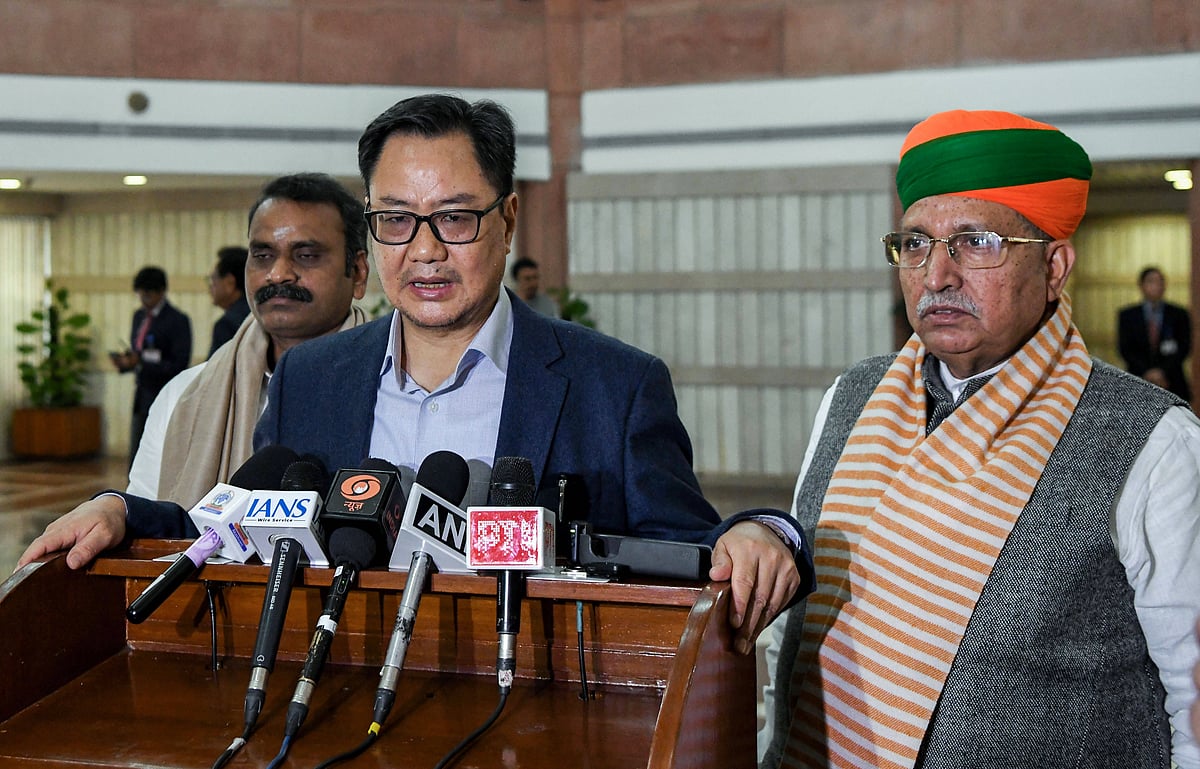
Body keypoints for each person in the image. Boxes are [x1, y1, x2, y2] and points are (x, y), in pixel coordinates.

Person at [253, 93, 812, 653]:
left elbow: (686, 553)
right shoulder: (308, 380)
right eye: (396, 219)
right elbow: (252, 551)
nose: (425, 250)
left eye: (454, 218)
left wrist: (760, 533)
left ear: (508, 219)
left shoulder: (614, 387)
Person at [759, 110, 1200, 769]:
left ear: (1054, 266)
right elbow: (791, 636)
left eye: (976, 243)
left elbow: (1192, 697)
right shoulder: (852, 398)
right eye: (915, 243)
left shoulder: (1156, 442)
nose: (936, 275)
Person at [19, 173, 371, 556]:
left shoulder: (390, 388)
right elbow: (147, 534)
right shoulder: (185, 395)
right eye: (263, 255)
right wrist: (115, 508)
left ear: (358, 273)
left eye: (306, 255)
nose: (278, 273)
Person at [109, 266, 192, 465]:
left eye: (148, 294)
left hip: (165, 392)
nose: (143, 299)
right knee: (138, 453)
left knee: (160, 454)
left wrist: (142, 362)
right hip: (142, 393)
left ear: (161, 291)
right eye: (140, 294)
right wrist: (127, 362)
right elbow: (139, 352)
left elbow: (179, 363)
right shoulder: (139, 317)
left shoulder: (177, 320)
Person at [1118, 266, 1192, 402]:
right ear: (1141, 285)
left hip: (1172, 382)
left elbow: (1184, 347)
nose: (1156, 286)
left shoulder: (1179, 314)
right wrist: (1148, 373)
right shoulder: (1128, 315)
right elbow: (1125, 349)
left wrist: (1161, 372)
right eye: (1151, 281)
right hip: (1138, 380)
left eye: (1160, 281)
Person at [206, 245, 251, 357]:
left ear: (229, 283)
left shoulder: (226, 325)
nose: (210, 287)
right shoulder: (262, 314)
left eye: (213, 279)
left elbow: (216, 371)